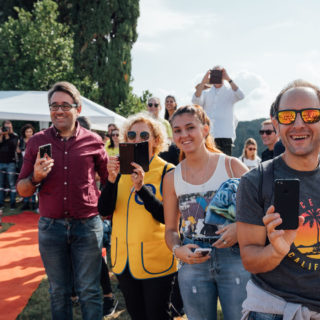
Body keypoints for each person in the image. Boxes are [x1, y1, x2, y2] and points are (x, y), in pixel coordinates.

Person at [16, 81, 108, 320]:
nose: (58, 110)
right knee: (58, 291)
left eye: (65, 105)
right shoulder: (36, 142)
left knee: (89, 290)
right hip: (51, 227)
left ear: (78, 109)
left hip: (87, 226)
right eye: (54, 105)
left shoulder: (95, 141)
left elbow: (110, 182)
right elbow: (22, 190)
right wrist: (35, 177)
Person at [236, 80, 320, 319]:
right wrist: (277, 250)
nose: (298, 124)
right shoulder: (255, 180)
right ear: (276, 124)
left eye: (311, 115)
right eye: (287, 117)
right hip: (273, 311)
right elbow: (250, 260)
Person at [164, 105, 250, 320]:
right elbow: (171, 229)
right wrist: (177, 249)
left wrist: (240, 228)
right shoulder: (171, 178)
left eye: (190, 127)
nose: (184, 135)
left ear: (205, 129)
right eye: (177, 130)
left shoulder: (232, 166)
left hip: (234, 257)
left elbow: (261, 209)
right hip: (193, 261)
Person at [98, 112, 177, 320]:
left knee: (157, 315)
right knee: (137, 315)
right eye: (131, 135)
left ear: (156, 140)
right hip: (124, 260)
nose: (137, 140)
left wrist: (141, 188)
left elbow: (167, 217)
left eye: (144, 135)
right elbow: (104, 210)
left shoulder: (168, 171)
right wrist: (111, 180)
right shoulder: (120, 170)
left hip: (156, 259)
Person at [192, 66, 244, 155]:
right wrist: (203, 81)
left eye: (219, 73)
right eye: (214, 73)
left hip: (225, 136)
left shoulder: (230, 91)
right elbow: (195, 100)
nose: (217, 75)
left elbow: (241, 95)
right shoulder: (206, 92)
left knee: (224, 166)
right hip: (208, 136)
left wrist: (228, 78)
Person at [0, 120, 19, 209]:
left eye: (9, 126)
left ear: (11, 126)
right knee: (1, 184)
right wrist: (1, 135)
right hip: (0, 162)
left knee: (12, 184)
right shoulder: (0, 135)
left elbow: (12, 146)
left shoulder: (14, 136)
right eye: (5, 126)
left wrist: (7, 135)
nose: (6, 128)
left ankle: (12, 203)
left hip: (11, 163)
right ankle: (1, 203)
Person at [18, 124, 37, 210]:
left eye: (30, 131)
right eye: (27, 131)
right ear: (24, 132)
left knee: (33, 182)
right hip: (23, 164)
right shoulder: (21, 141)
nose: (29, 133)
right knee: (24, 183)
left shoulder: (36, 140)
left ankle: (33, 202)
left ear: (33, 132)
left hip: (33, 164)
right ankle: (25, 202)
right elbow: (18, 151)